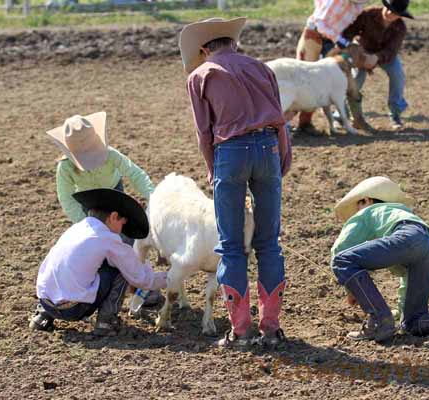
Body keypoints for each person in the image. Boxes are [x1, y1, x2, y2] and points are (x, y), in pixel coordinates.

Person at [179, 17, 292, 347]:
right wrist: (282, 156)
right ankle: (271, 327)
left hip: (230, 152)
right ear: (234, 43)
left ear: (204, 49)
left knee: (231, 246)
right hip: (269, 147)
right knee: (269, 241)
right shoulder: (262, 68)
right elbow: (280, 119)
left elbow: (204, 133)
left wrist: (213, 170)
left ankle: (241, 331)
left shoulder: (199, 76)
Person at [330, 176, 429, 343]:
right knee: (412, 321)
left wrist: (351, 288)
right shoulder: (402, 212)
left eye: (357, 206)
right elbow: (407, 277)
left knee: (343, 260)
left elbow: (340, 250)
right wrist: (400, 312)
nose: (357, 211)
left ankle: (379, 321)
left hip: (407, 236)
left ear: (366, 200)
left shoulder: (367, 211)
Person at [46, 111, 163, 306]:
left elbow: (136, 175)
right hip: (89, 205)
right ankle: (102, 289)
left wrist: (156, 198)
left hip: (115, 197)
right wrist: (85, 224)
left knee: (128, 242)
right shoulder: (65, 168)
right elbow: (66, 197)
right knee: (94, 247)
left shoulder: (111, 155)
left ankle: (141, 287)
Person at [29, 188, 168, 336]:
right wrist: (173, 276)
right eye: (123, 223)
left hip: (46, 300)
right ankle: (106, 321)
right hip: (73, 309)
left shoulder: (77, 228)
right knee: (120, 268)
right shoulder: (108, 238)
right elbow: (141, 279)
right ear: (114, 217)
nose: (122, 229)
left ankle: (43, 316)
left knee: (73, 264)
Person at [295, 0, 369, 134]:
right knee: (303, 75)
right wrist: (345, 43)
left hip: (332, 38)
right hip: (315, 34)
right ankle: (287, 122)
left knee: (326, 78)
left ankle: (305, 123)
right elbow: (320, 23)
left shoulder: (359, 3)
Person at [340, 0, 413, 131]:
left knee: (398, 75)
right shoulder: (367, 14)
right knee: (356, 79)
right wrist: (354, 50)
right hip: (362, 50)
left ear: (400, 15)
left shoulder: (400, 27)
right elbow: (349, 31)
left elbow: (391, 51)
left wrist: (376, 58)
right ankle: (341, 114)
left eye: (395, 12)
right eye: (389, 8)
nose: (390, 13)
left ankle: (395, 114)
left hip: (384, 55)